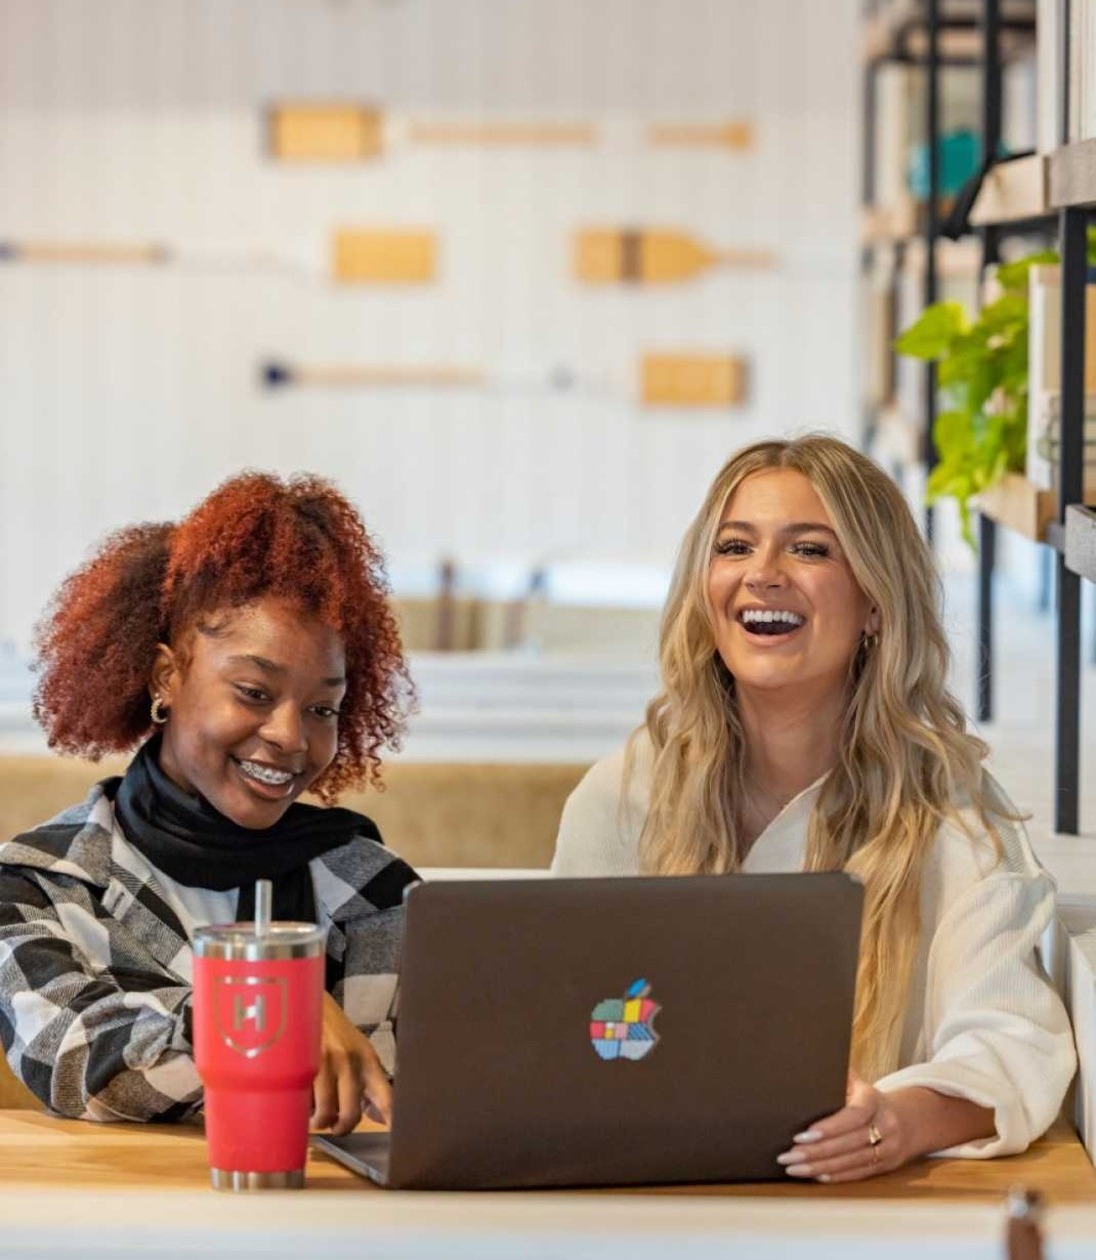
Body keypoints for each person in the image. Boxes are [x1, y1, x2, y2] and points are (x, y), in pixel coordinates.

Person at [552, 434, 1076, 1183]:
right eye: (734, 547)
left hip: (855, 1219)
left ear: (874, 602)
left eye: (810, 551)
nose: (762, 576)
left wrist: (893, 1122)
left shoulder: (950, 813)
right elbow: (563, 1029)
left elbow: (1010, 1041)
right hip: (652, 1200)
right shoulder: (621, 796)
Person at [0, 471, 417, 1133]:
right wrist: (268, 1014)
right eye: (254, 692)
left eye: (321, 708)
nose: (290, 736)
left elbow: (436, 1090)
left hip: (339, 1234)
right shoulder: (39, 885)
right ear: (168, 677)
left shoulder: (373, 892)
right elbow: (76, 1059)